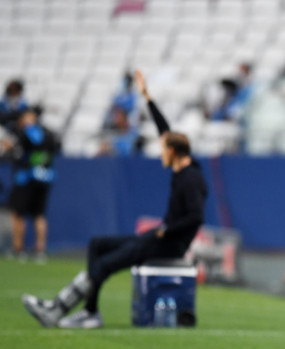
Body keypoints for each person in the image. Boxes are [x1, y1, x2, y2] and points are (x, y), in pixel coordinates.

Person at [21, 69, 208, 329]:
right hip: (159, 236)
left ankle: (57, 308)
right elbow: (166, 129)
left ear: (174, 152)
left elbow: (197, 216)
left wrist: (167, 230)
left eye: (164, 150)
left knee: (107, 263)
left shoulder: (191, 179)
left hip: (169, 244)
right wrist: (147, 97)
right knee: (98, 245)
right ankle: (89, 311)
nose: (160, 153)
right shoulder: (183, 168)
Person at [3, 110, 60, 262]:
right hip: (45, 178)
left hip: (26, 179)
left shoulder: (24, 135)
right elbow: (53, 153)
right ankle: (40, 250)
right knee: (39, 215)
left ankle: (18, 248)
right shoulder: (48, 135)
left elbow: (17, 155)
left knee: (18, 213)